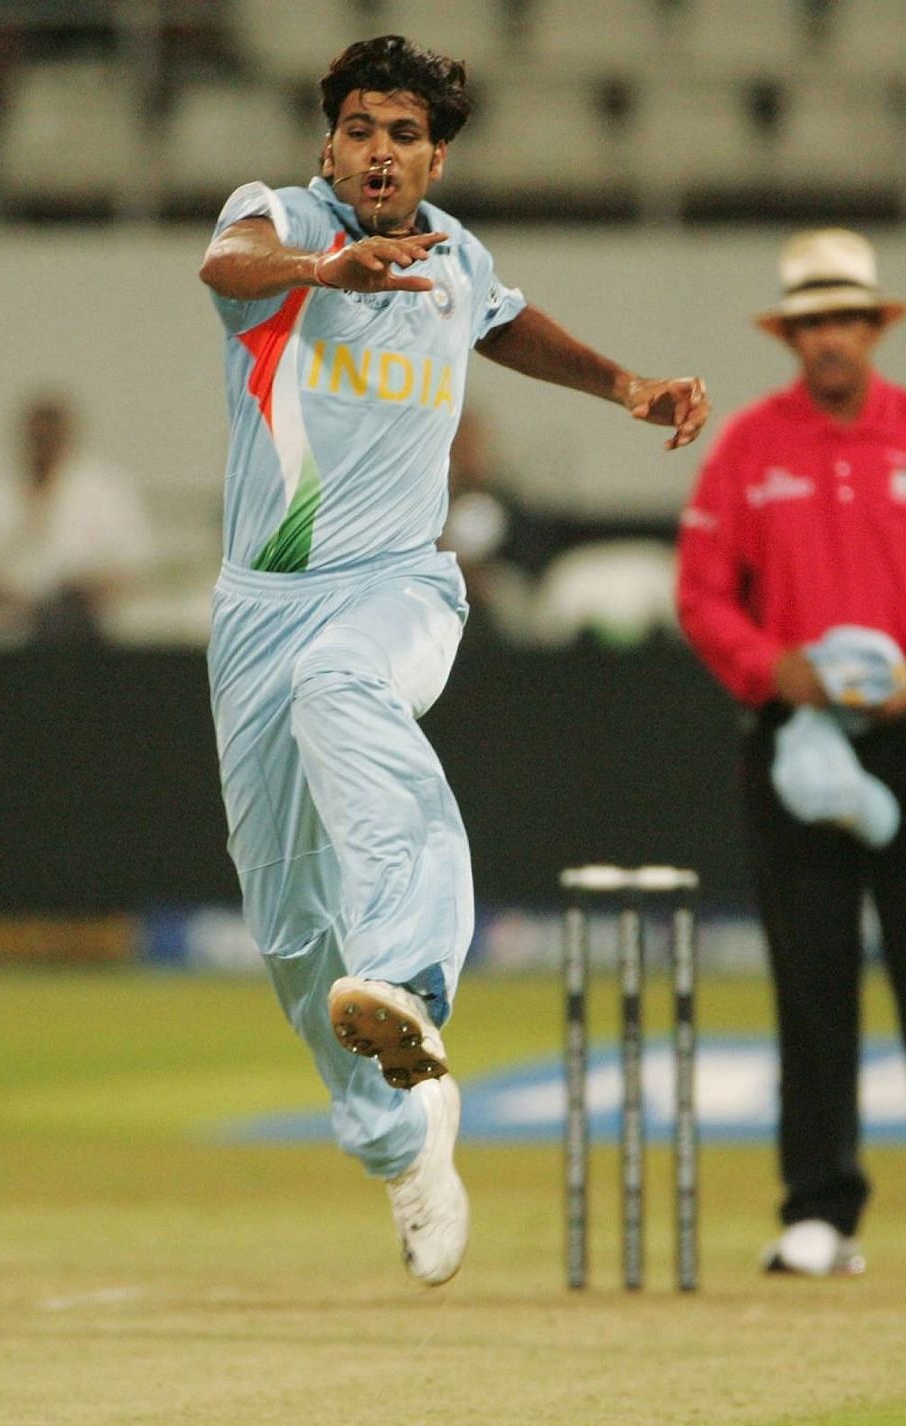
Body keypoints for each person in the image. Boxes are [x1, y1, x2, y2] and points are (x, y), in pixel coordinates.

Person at [197, 35, 708, 1286]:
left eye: (406, 136)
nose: (381, 152)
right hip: (260, 602)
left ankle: (416, 968)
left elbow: (507, 320)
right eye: (361, 129)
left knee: (343, 686)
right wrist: (331, 267)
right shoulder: (277, 222)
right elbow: (224, 266)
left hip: (400, 583)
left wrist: (625, 385)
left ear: (436, 155)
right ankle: (403, 1135)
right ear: (330, 144)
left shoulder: (458, 255)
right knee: (283, 921)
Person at [675, 228, 906, 1281]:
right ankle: (821, 1208)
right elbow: (701, 592)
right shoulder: (748, 448)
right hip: (795, 732)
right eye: (811, 321)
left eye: (845, 319)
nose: (829, 337)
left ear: (873, 327)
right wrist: (770, 669)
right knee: (809, 973)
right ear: (793, 335)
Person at [0, 393, 152, 643]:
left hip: (89, 637)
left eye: (52, 437)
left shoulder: (106, 490)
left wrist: (86, 593)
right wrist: (6, 597)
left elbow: (135, 565)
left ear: (68, 437)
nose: (44, 446)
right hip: (2, 635)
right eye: (37, 438)